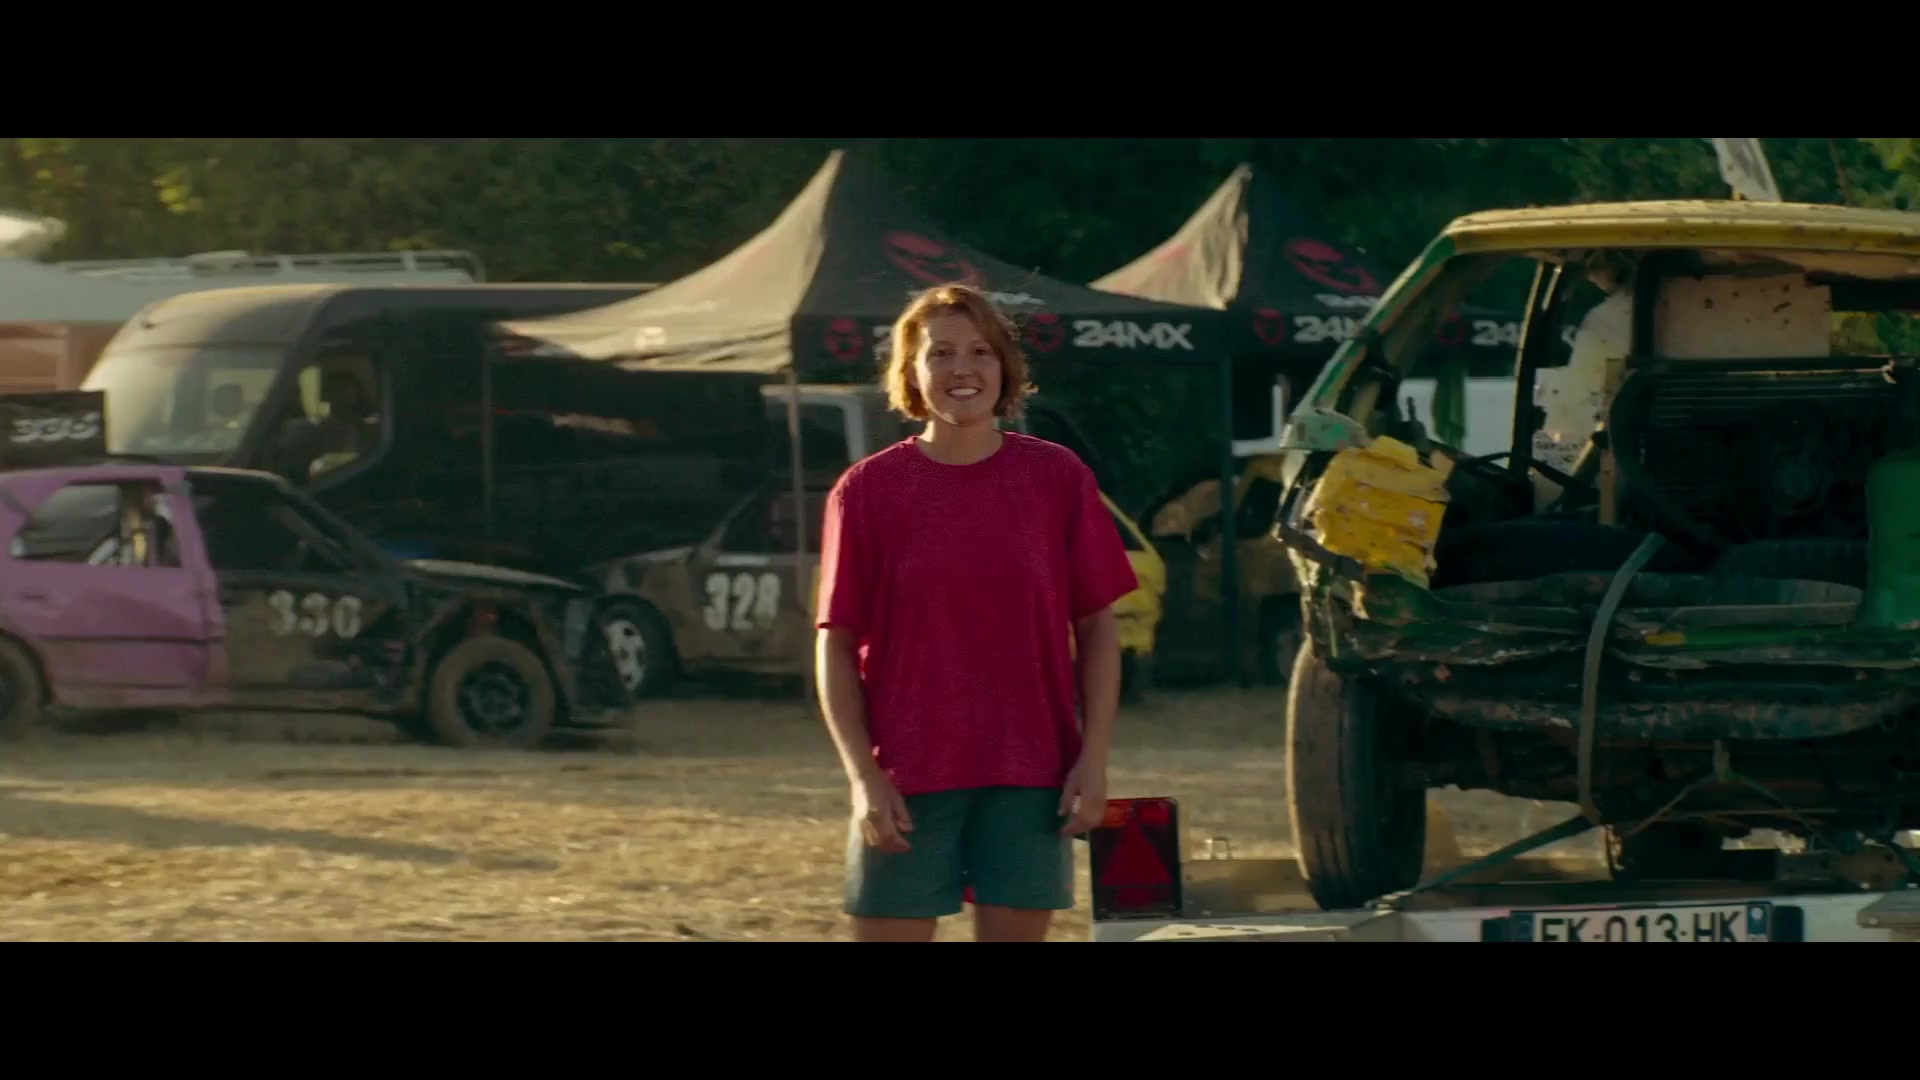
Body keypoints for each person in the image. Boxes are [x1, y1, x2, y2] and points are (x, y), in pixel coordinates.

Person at [813, 283, 1139, 942]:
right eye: (940, 353)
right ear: (910, 372)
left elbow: (1098, 627)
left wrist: (1094, 758)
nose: (962, 368)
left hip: (1033, 774)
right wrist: (864, 778)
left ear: (1005, 367)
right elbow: (836, 643)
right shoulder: (866, 491)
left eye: (980, 351)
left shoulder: (1057, 478)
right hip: (905, 776)